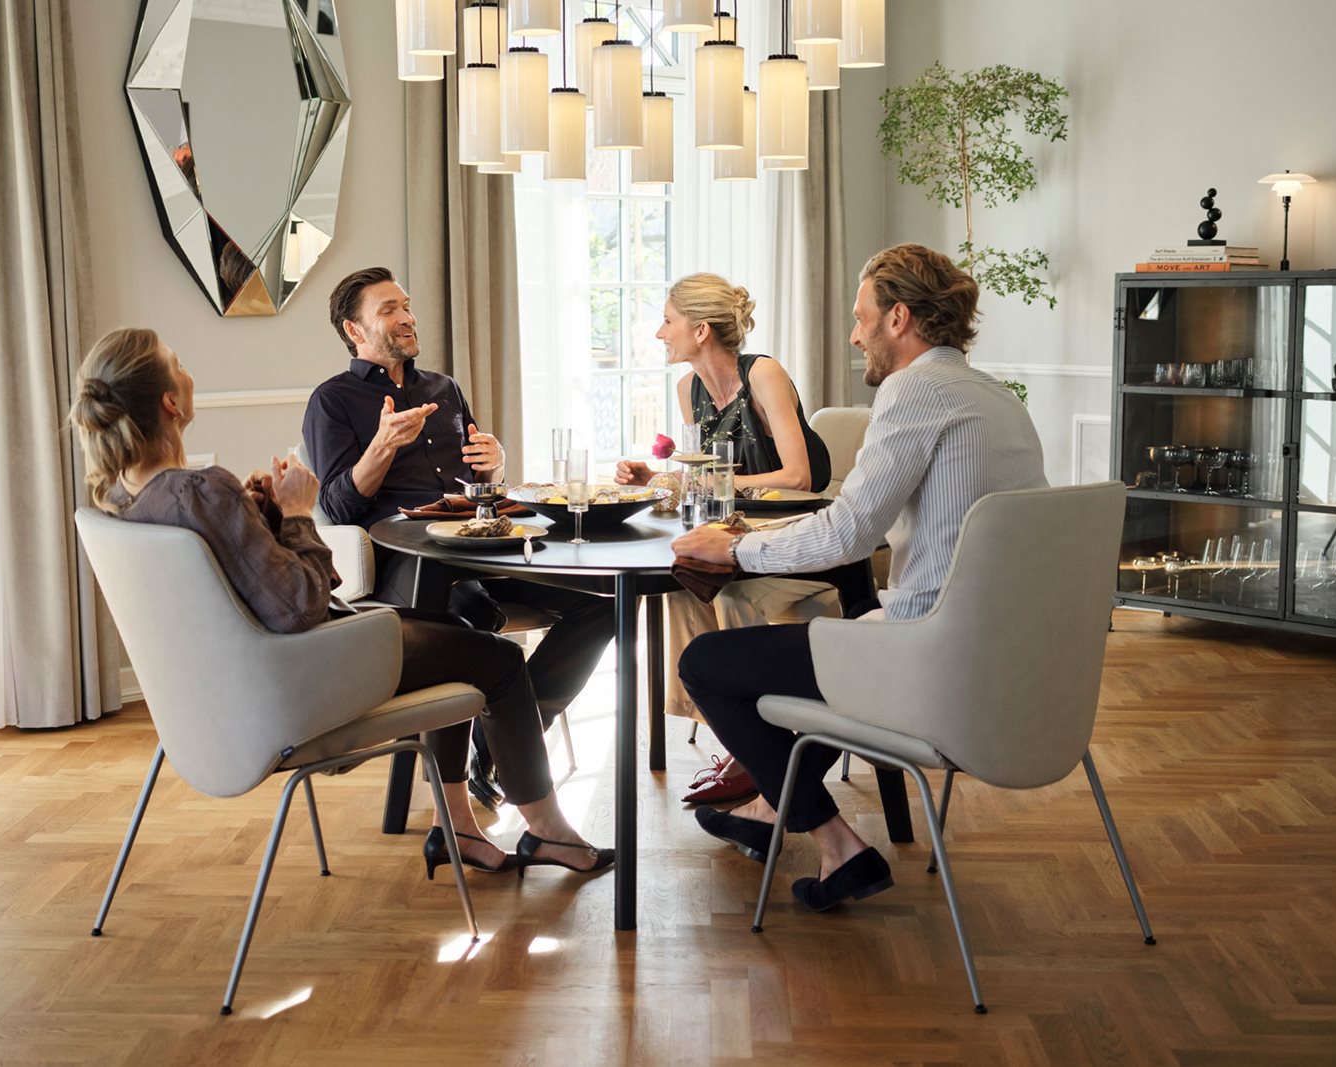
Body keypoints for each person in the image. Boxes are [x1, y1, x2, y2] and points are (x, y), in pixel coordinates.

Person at [68, 326, 613, 878]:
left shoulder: (124, 497)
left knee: (458, 638)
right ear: (169, 401)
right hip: (308, 672)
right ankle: (547, 833)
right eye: (178, 363)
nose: (188, 372)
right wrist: (301, 514)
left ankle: (457, 830)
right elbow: (302, 603)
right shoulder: (202, 490)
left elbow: (245, 583)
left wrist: (266, 516)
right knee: (496, 659)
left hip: (242, 683)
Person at [670, 244, 1048, 913]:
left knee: (708, 662)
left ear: (898, 318)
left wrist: (733, 553)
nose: (853, 334)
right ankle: (766, 811)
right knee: (821, 649)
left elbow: (850, 532)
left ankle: (836, 841)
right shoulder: (995, 395)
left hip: (929, 657)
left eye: (860, 316)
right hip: (1010, 655)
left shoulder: (915, 389)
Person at [302, 267, 615, 806]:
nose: (406, 318)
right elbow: (335, 507)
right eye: (388, 310)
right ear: (355, 331)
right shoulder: (333, 400)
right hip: (408, 566)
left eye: (406, 305)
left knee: (604, 605)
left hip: (481, 550)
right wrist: (381, 447)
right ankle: (471, 783)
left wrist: (493, 467)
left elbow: (476, 486)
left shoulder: (442, 388)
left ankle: (497, 745)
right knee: (474, 627)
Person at [612, 272, 871, 805]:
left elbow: (798, 476)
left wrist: (702, 482)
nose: (660, 333)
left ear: (701, 329)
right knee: (683, 588)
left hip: (801, 541)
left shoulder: (764, 375)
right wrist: (659, 481)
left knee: (726, 592)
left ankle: (751, 757)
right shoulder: (689, 389)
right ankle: (740, 740)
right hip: (740, 536)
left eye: (667, 320)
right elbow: (704, 482)